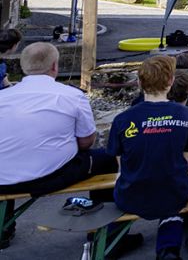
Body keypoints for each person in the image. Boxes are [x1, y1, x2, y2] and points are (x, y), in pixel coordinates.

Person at [0, 44, 123, 253]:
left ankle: (5, 230)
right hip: (48, 176)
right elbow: (86, 141)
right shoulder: (72, 95)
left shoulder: (3, 96)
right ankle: (109, 238)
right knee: (107, 159)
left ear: (22, 67)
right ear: (55, 66)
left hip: (3, 180)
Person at [108, 56, 188, 259]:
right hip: (174, 193)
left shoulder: (122, 120)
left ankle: (111, 243)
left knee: (154, 187)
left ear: (139, 82)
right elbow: (185, 161)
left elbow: (122, 165)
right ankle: (168, 249)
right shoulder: (187, 115)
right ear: (171, 82)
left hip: (131, 196)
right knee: (173, 190)